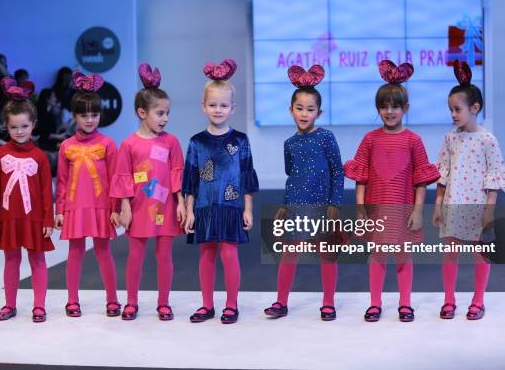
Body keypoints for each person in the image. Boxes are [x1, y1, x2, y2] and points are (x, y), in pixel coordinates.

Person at [344, 60, 439, 322]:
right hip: (376, 208)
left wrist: (418, 211)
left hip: (404, 208)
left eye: (395, 106)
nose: (389, 112)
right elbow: (360, 177)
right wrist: (361, 209)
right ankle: (375, 303)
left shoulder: (413, 141)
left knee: (403, 255)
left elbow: (421, 179)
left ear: (405, 108)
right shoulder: (370, 139)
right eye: (384, 107)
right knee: (377, 254)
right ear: (378, 109)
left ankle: (405, 304)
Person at [263, 65, 344, 321]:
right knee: (290, 251)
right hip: (297, 204)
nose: (304, 113)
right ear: (291, 110)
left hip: (322, 204)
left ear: (319, 113)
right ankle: (281, 301)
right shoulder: (290, 144)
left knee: (326, 253)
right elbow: (292, 176)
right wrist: (285, 205)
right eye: (299, 108)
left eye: (310, 109)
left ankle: (328, 303)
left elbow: (337, 172)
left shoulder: (326, 138)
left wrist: (335, 203)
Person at [433, 60, 505, 320]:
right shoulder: (450, 138)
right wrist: (438, 205)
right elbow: (442, 174)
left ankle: (478, 301)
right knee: (450, 253)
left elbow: (494, 175)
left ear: (474, 108)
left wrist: (489, 209)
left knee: (481, 254)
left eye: (457, 109)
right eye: (450, 110)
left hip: (478, 207)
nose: (453, 114)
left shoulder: (487, 139)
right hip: (453, 204)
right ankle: (449, 300)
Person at [183, 59, 259, 324]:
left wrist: (247, 209)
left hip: (231, 206)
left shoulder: (240, 140)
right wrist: (189, 210)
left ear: (233, 108)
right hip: (204, 205)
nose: (218, 110)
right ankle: (206, 305)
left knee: (229, 253)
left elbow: (247, 174)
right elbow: (191, 178)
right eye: (213, 105)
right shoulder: (196, 142)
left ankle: (231, 304)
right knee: (207, 254)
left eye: (223, 105)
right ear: (203, 106)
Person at [111, 63, 185, 321]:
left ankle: (163, 303)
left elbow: (177, 172)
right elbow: (123, 178)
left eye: (167, 113)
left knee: (165, 256)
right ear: (142, 112)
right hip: (140, 207)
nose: (165, 118)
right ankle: (131, 301)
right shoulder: (129, 144)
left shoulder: (171, 141)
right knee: (135, 256)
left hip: (165, 207)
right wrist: (125, 207)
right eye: (160, 113)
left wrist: (181, 203)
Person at [0, 77, 54, 323]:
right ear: (7, 126)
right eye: (14, 127)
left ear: (33, 124)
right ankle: (10, 304)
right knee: (11, 259)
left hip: (34, 217)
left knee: (37, 259)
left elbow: (47, 191)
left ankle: (39, 306)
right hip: (8, 217)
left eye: (24, 126)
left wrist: (48, 218)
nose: (19, 132)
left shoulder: (40, 157)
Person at [55, 71, 120, 318]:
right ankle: (72, 300)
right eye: (84, 115)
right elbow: (61, 181)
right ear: (74, 116)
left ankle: (112, 300)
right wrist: (59, 210)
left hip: (101, 206)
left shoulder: (107, 144)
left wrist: (115, 208)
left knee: (104, 252)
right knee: (75, 252)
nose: (89, 119)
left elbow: (116, 179)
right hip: (75, 206)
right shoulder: (66, 146)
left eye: (94, 114)